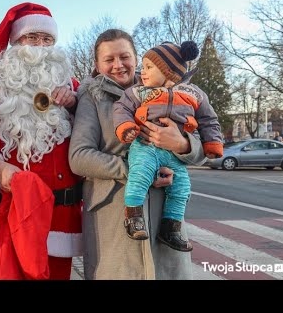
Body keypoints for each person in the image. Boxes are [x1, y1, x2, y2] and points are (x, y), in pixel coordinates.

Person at [0, 2, 82, 280]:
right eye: (31, 37)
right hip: (6, 210)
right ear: (15, 41)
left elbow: (91, 134)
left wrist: (74, 105)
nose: (40, 46)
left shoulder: (70, 84)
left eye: (47, 39)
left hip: (59, 216)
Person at [68, 29, 207, 280]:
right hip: (112, 212)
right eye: (109, 60)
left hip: (162, 210)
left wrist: (182, 144)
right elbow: (79, 156)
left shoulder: (166, 89)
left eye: (125, 57)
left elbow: (203, 148)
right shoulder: (92, 97)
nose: (118, 65)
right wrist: (139, 170)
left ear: (136, 57)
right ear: (97, 65)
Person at [113, 41, 223, 252]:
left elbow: (209, 119)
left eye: (148, 67)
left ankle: (171, 228)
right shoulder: (140, 92)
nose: (142, 72)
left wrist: (212, 142)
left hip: (174, 155)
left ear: (168, 71)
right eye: (142, 67)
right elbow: (121, 108)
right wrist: (126, 127)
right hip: (145, 145)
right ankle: (133, 216)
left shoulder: (195, 94)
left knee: (182, 189)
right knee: (140, 174)